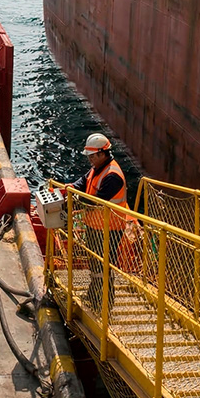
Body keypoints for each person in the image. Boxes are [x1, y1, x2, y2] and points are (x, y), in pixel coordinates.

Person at [63, 133, 129, 310]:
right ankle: (94, 297)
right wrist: (73, 187)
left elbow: (95, 201)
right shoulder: (98, 168)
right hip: (96, 225)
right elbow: (84, 181)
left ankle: (103, 304)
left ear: (102, 153)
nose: (90, 159)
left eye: (92, 156)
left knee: (103, 266)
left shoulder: (112, 176)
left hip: (109, 229)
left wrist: (75, 198)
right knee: (95, 264)